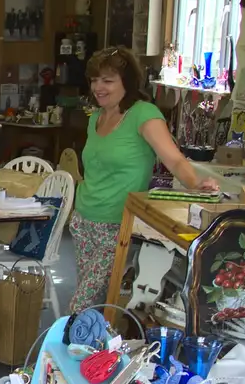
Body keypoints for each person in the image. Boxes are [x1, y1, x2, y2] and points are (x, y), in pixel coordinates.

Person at [69, 46, 220, 312]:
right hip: (83, 220)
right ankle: (96, 352)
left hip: (116, 225)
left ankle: (69, 346)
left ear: (126, 82)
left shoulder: (144, 114)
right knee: (96, 303)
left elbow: (173, 159)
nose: (98, 88)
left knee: (82, 305)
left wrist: (195, 183)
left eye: (108, 80)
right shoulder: (96, 118)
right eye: (94, 80)